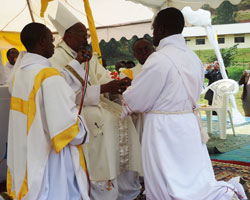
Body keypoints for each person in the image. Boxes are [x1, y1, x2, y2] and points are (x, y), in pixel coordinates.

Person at [122, 7, 248, 200]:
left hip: (163, 128)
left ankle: (225, 193)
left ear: (162, 29)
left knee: (166, 179)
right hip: (189, 124)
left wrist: (127, 93)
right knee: (192, 174)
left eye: (154, 28)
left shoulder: (159, 58)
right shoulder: (193, 57)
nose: (153, 33)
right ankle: (224, 193)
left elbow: (137, 99)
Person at [48, 3, 142, 200]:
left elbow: (101, 77)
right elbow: (64, 94)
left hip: (97, 103)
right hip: (76, 110)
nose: (86, 38)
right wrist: (103, 89)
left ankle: (126, 186)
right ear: (66, 36)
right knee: (105, 122)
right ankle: (103, 186)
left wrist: (116, 84)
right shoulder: (56, 58)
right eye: (81, 33)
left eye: (86, 34)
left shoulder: (87, 54)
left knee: (124, 117)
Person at [7, 22, 90, 200]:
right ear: (42, 41)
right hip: (50, 155)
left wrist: (77, 62)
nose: (54, 44)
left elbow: (54, 80)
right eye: (51, 40)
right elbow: (68, 130)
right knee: (55, 191)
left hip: (27, 149)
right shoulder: (48, 77)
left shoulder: (17, 74)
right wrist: (83, 128)